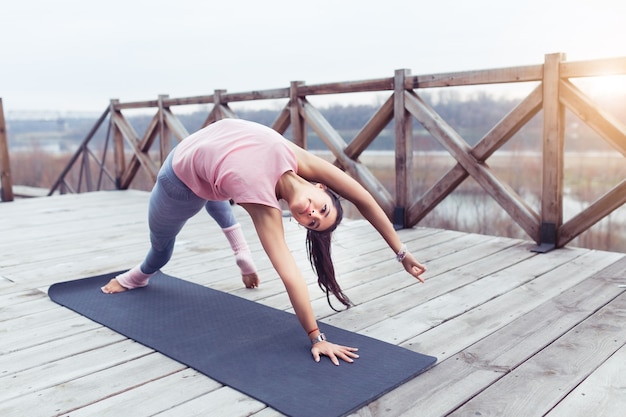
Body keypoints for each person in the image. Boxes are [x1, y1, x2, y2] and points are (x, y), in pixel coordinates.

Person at [102, 118, 426, 365]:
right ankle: (212, 257)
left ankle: (145, 273)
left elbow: (291, 276)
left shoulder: (262, 204)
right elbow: (366, 199)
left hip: (195, 176)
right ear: (321, 187)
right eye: (321, 209)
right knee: (164, 246)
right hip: (184, 172)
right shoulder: (301, 160)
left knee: (203, 208)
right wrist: (402, 252)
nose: (311, 213)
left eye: (310, 222)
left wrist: (317, 337)